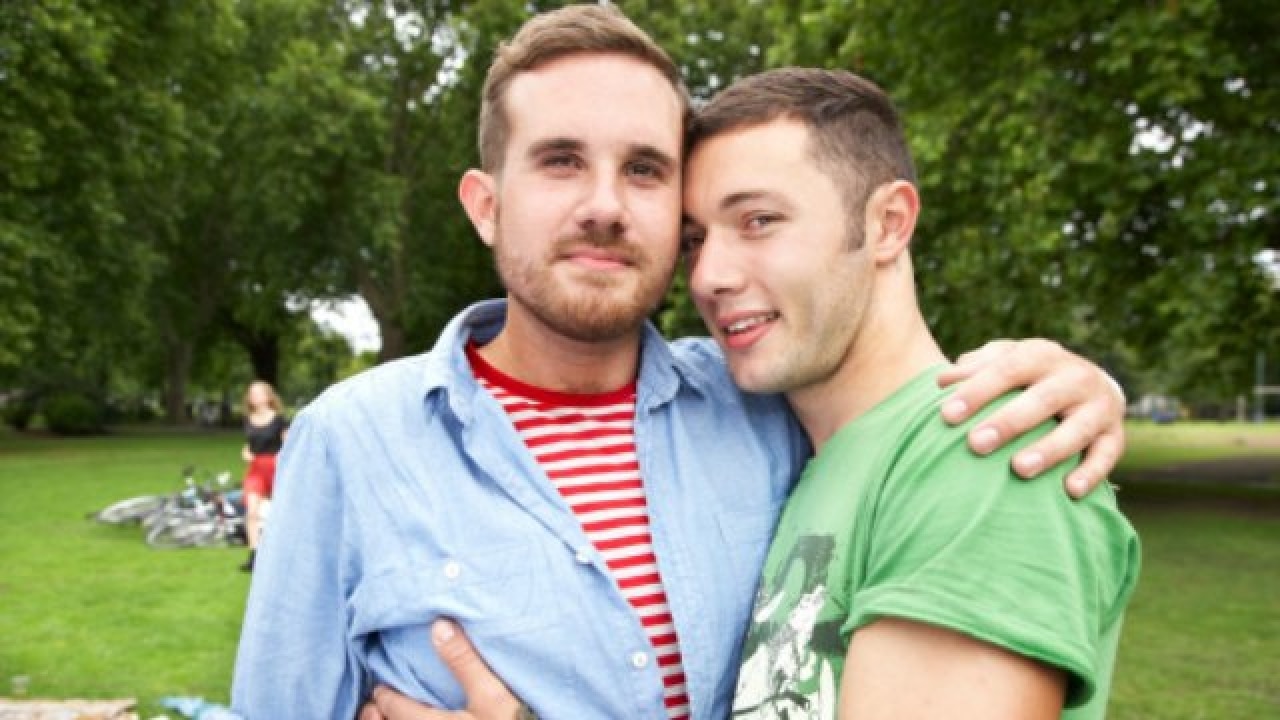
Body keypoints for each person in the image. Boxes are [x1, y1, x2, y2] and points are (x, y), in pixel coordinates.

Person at [232, 6, 1127, 719]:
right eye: (559, 161)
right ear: (485, 204)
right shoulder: (351, 443)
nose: (605, 206)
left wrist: (1075, 383)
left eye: (648, 171)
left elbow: (914, 423)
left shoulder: (763, 412)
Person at [677, 69, 1139, 718]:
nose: (709, 276)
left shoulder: (986, 462)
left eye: (758, 220)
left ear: (888, 224)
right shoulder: (791, 450)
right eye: (694, 239)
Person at [237, 380, 288, 573]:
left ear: (268, 396)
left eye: (258, 393)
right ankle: (254, 555)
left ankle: (282, 554)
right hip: (256, 470)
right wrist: (246, 453)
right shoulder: (247, 419)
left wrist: (280, 459)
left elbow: (289, 446)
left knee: (280, 513)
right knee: (252, 512)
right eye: (251, 393)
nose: (254, 396)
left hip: (275, 468)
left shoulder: (279, 420)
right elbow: (249, 445)